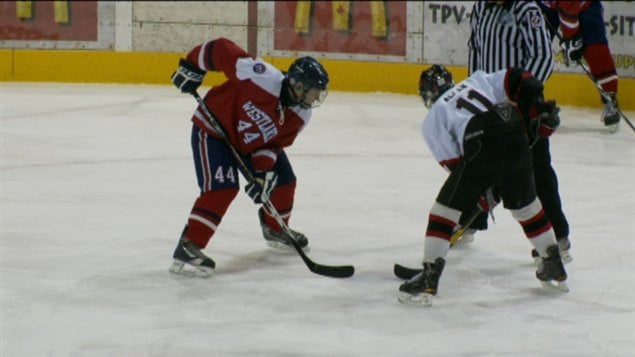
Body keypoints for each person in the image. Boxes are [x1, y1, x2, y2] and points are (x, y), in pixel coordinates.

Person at [398, 65, 568, 306]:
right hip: (515, 130)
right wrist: (537, 107)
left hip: (479, 138)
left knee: (444, 210)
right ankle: (552, 262)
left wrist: (482, 190)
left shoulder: (433, 119)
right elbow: (520, 77)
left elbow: (457, 166)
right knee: (526, 206)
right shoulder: (477, 80)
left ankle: (428, 277)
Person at [167, 37, 329, 277]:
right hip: (213, 130)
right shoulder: (263, 78)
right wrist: (192, 65)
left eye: (318, 94)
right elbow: (221, 49)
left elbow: (272, 144)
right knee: (222, 189)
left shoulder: (301, 115)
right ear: (296, 85)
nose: (314, 99)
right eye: (312, 92)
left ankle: (274, 228)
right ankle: (189, 245)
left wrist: (263, 174)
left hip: (248, 146)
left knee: (283, 182)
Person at [466, 0, 571, 265]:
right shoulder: (481, 7)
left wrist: (521, 94)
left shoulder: (527, 10)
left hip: (524, 105)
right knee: (476, 162)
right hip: (489, 104)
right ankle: (468, 220)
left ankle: (557, 237)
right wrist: (475, 93)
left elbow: (542, 57)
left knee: (537, 169)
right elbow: (475, 50)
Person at [537, 0, 620, 129]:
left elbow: (569, 5)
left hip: (584, 4)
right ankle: (527, 97)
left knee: (596, 49)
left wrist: (571, 38)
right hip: (544, 4)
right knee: (534, 47)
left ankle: (610, 98)